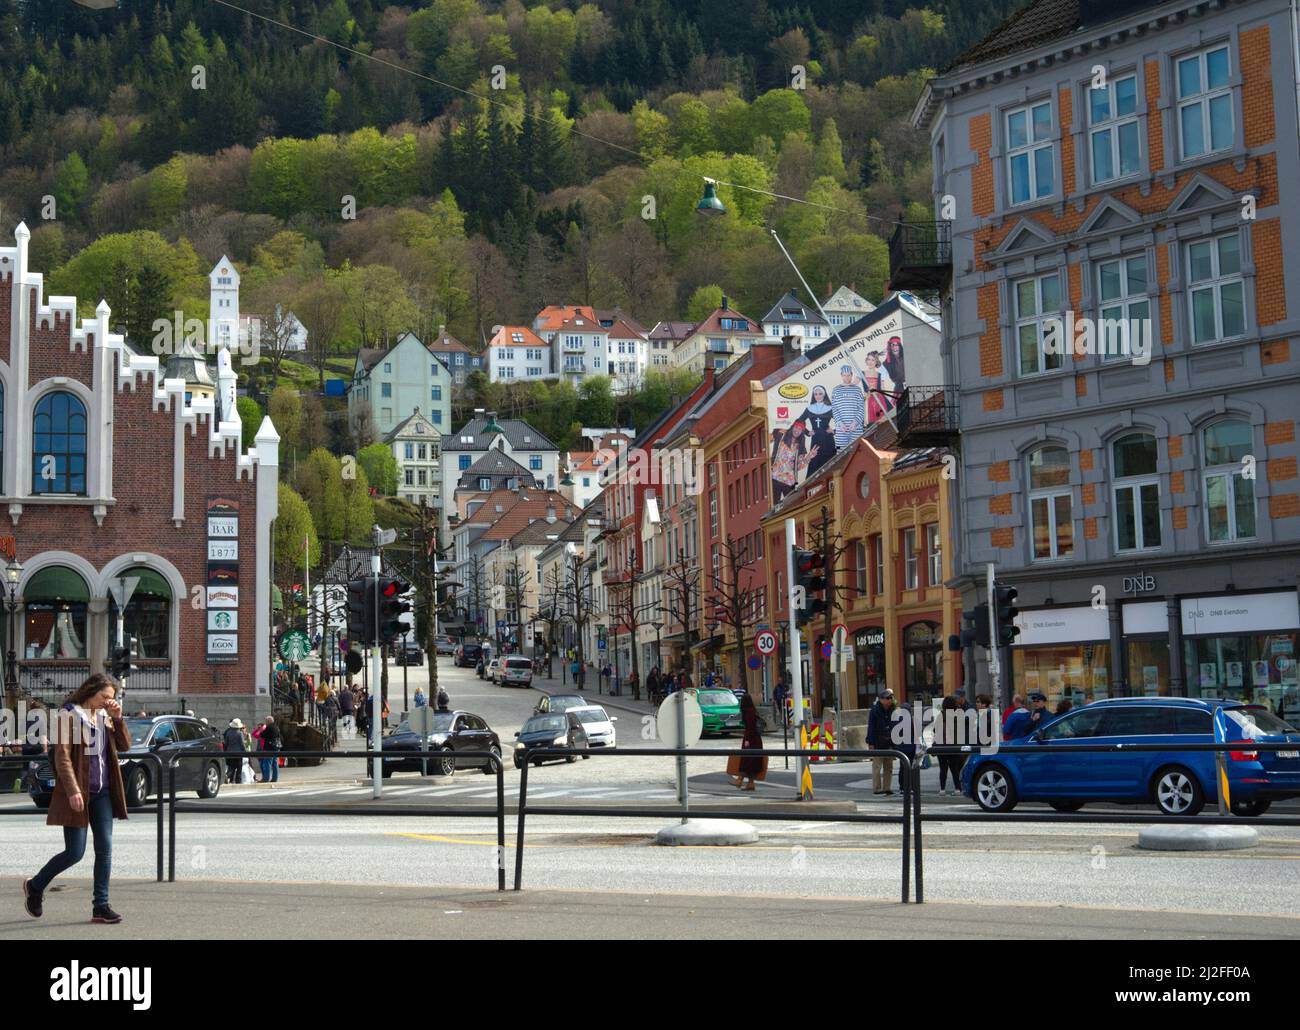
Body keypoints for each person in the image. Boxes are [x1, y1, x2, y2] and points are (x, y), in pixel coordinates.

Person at [24, 673, 131, 924]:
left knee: (105, 849)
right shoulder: (69, 715)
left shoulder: (106, 717)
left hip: (103, 793)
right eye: (104, 697)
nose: (107, 702)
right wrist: (72, 790)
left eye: (111, 698)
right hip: (79, 792)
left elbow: (124, 746)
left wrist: (118, 718)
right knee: (75, 853)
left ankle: (100, 906)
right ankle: (35, 886)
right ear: (90, 691)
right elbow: (62, 756)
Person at [770, 422, 818, 502]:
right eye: (796, 427)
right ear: (792, 427)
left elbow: (798, 467)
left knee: (791, 506)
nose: (797, 430)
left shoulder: (800, 446)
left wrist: (809, 457)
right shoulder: (781, 435)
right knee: (773, 507)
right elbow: (768, 439)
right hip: (775, 478)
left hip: (789, 482)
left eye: (800, 429)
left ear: (802, 431)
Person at [728, 694, 765, 791]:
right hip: (756, 739)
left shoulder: (747, 712)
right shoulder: (753, 710)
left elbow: (749, 727)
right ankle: (750, 783)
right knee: (753, 761)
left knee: (746, 760)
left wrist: (747, 740)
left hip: (751, 739)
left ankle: (740, 780)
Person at [936, 690, 971, 796]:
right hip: (954, 745)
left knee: (943, 768)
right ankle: (957, 789)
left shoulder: (941, 715)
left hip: (942, 745)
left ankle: (942, 789)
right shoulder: (959, 715)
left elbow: (935, 730)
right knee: (955, 768)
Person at [797, 385, 836, 476]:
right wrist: (807, 432)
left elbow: (842, 421)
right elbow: (799, 421)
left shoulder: (830, 408)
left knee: (829, 464)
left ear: (824, 394)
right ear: (813, 396)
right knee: (814, 463)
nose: (818, 396)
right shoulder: (809, 409)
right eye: (816, 394)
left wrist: (834, 431)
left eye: (820, 394)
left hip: (828, 440)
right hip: (816, 440)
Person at [866, 689, 897, 795]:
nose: (890, 700)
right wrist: (871, 743)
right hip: (878, 743)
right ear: (881, 700)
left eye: (891, 698)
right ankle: (877, 788)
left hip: (889, 743)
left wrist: (895, 744)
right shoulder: (875, 711)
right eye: (887, 698)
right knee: (877, 767)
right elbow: (871, 728)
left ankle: (887, 787)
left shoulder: (893, 710)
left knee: (889, 767)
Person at [259, 716, 282, 783]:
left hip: (269, 748)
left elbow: (262, 735)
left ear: (269, 721)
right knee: (275, 764)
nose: (265, 722)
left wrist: (261, 730)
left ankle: (266, 779)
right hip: (276, 748)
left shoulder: (269, 727)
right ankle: (275, 779)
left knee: (267, 764)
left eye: (266, 721)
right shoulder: (276, 727)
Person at [223, 719, 246, 783]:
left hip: (229, 752)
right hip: (238, 753)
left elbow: (226, 743)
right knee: (239, 767)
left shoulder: (228, 733)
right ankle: (238, 780)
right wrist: (245, 751)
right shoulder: (239, 733)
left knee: (231, 766)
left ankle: (229, 777)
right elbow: (242, 744)